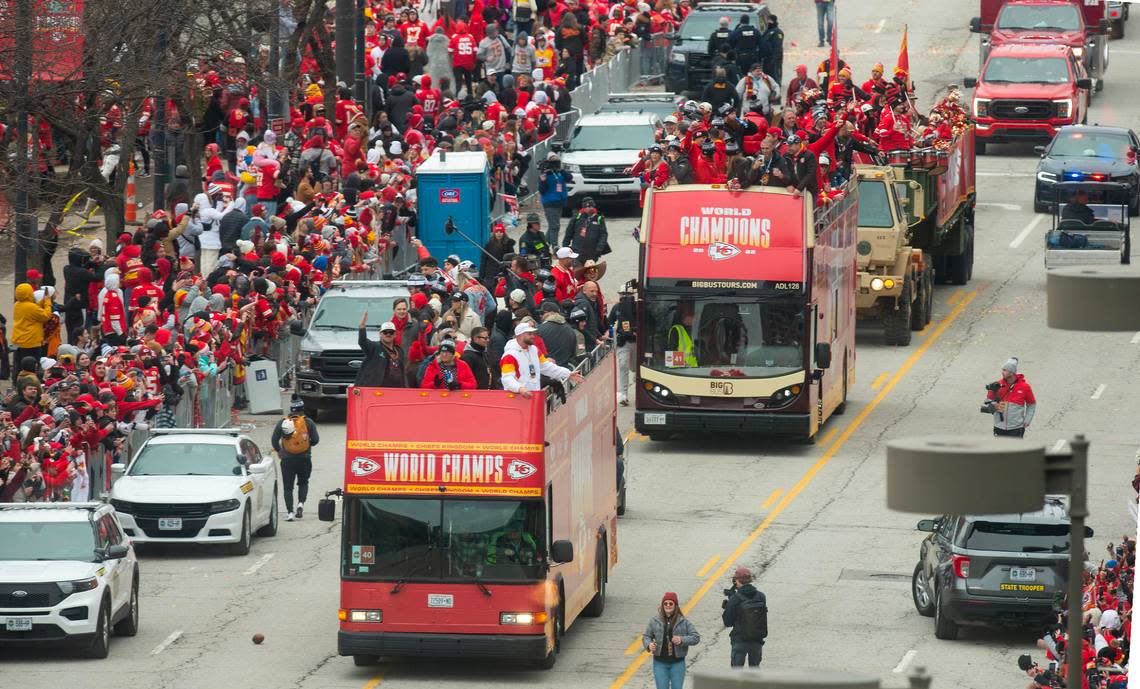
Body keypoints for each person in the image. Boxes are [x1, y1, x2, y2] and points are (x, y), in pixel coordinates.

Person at [500, 322, 583, 397]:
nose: (533, 336)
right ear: (520, 335)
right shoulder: (509, 356)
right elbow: (507, 378)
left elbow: (547, 367)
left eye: (533, 333)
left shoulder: (534, 350)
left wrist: (568, 374)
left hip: (533, 395)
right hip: (518, 397)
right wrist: (520, 389)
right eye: (529, 334)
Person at [270, 397, 321, 521]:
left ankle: (290, 513)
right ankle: (301, 504)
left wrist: (280, 451)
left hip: (287, 460)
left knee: (288, 487)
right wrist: (307, 445)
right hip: (304, 458)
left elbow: (274, 439)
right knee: (303, 483)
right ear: (302, 409)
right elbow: (315, 440)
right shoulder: (308, 422)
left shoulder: (283, 422)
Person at [643, 592, 700, 689]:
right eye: (665, 603)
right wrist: (649, 645)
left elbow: (696, 637)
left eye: (671, 603)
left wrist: (682, 640)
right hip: (660, 663)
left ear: (675, 606)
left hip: (678, 664)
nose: (668, 605)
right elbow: (646, 636)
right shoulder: (654, 621)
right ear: (662, 605)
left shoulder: (683, 622)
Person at [722, 566, 767, 667]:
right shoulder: (761, 596)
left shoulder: (735, 599)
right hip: (757, 640)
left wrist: (728, 606)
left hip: (740, 640)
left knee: (736, 673)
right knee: (754, 672)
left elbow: (727, 622)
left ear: (736, 581)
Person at [355, 313, 408, 387]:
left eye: (391, 332)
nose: (388, 334)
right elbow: (362, 341)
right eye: (385, 332)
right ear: (380, 334)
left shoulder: (399, 351)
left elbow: (402, 372)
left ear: (395, 334)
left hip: (395, 389)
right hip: (376, 389)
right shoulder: (374, 347)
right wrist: (362, 326)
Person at [987, 357, 1036, 438]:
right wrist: (992, 391)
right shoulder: (997, 385)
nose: (1002, 372)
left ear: (1012, 372)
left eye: (1005, 370)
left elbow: (1031, 404)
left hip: (1016, 428)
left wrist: (1027, 420)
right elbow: (989, 402)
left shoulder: (1024, 387)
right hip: (999, 427)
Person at [539, 153, 569, 249]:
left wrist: (561, 170)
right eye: (552, 161)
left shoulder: (560, 172)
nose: (554, 163)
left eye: (556, 160)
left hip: (559, 202)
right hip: (549, 202)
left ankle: (544, 245)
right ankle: (555, 246)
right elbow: (542, 190)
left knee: (553, 226)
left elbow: (569, 178)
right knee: (555, 226)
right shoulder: (545, 173)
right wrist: (543, 178)